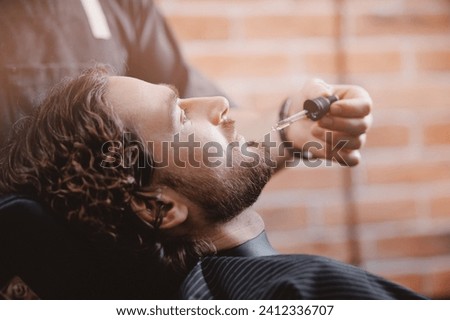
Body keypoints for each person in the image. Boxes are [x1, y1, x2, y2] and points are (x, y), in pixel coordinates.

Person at [0, 67, 426, 299]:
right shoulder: (297, 292)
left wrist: (284, 136)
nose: (219, 103)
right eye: (181, 115)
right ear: (157, 208)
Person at [0, 0, 371, 167]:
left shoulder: (119, 6)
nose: (217, 106)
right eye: (177, 110)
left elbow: (211, 124)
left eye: (178, 106)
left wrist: (291, 125)